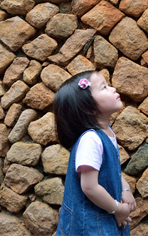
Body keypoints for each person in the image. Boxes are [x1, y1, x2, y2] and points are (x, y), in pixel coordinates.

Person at [53, 71, 136, 236]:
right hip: (90, 226)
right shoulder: (91, 140)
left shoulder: (106, 132)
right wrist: (117, 209)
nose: (113, 89)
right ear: (90, 108)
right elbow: (89, 186)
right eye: (104, 87)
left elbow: (113, 169)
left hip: (105, 219)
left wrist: (125, 189)